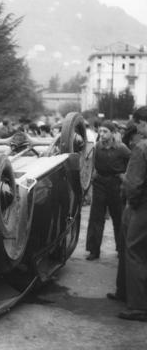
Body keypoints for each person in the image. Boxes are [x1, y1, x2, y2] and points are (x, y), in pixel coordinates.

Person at [116, 107, 147, 321]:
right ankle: (124, 292)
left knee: (133, 251)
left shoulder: (141, 147)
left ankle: (137, 306)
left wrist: (132, 202)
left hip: (140, 206)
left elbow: (134, 184)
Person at [85, 120, 131, 260]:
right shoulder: (97, 147)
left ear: (112, 133)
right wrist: (89, 182)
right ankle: (94, 250)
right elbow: (90, 165)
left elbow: (133, 161)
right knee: (96, 218)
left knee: (119, 218)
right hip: (100, 184)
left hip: (116, 184)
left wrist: (125, 175)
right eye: (100, 131)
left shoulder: (121, 148)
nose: (102, 134)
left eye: (105, 131)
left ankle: (121, 249)